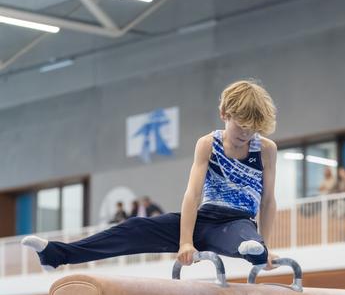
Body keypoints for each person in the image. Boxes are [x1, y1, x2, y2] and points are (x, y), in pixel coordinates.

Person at [21, 80, 279, 272]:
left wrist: (266, 246)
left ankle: (256, 252)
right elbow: (193, 194)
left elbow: (267, 202)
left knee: (246, 241)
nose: (245, 134)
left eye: (252, 129)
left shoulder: (266, 150)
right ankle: (57, 254)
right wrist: (185, 241)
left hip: (236, 223)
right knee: (135, 228)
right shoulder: (208, 144)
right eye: (240, 126)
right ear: (225, 114)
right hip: (202, 219)